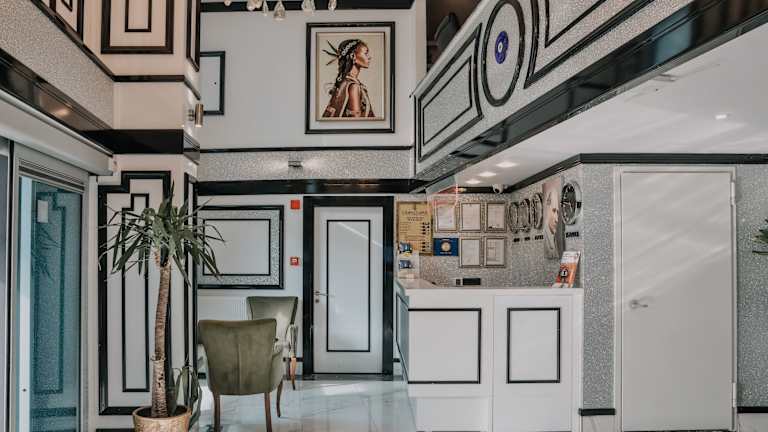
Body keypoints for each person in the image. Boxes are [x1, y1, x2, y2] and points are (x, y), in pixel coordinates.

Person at [322, 39, 375, 118]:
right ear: (353, 56)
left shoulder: (345, 82)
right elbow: (356, 121)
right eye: (366, 53)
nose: (369, 57)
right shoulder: (353, 86)